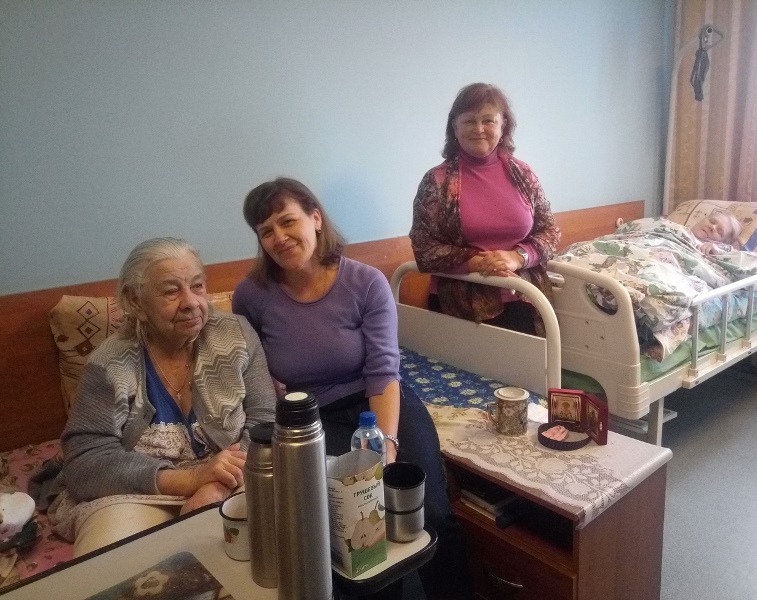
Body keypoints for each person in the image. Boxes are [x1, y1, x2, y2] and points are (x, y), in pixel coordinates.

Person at [232, 177, 473, 600]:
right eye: (266, 231)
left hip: (378, 402)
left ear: (315, 218)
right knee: (358, 525)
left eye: (287, 221)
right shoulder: (252, 296)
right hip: (314, 421)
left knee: (428, 511)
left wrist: (386, 448)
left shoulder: (366, 283)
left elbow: (383, 372)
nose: (279, 237)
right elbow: (253, 374)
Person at [42, 238, 276, 556]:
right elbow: (85, 464)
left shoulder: (237, 335)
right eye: (171, 291)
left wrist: (215, 485)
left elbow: (266, 421)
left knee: (276, 539)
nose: (191, 302)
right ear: (135, 301)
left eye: (197, 286)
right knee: (117, 564)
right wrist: (190, 479)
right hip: (137, 491)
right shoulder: (109, 364)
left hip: (234, 476)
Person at [409, 82, 561, 334]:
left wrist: (517, 257)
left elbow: (550, 232)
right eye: (469, 121)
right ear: (455, 127)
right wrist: (479, 263)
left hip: (523, 300)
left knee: (522, 362)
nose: (479, 129)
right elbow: (424, 248)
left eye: (488, 120)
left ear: (503, 126)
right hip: (457, 307)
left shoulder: (524, 175)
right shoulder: (436, 181)